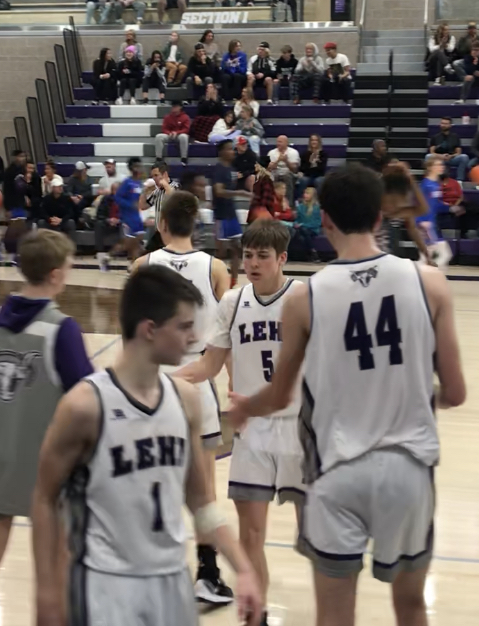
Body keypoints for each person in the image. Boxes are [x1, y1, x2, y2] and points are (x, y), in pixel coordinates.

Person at [226, 165, 466, 626]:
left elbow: (277, 398)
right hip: (407, 468)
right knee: (411, 607)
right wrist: (408, 394)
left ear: (326, 221)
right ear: (380, 218)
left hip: (336, 470)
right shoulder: (431, 283)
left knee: (335, 616)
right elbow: (454, 393)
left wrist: (244, 407)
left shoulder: (305, 297)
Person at [30, 264, 263, 626]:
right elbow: (45, 498)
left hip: (171, 580)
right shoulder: (84, 406)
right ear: (150, 329)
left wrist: (243, 568)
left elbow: (201, 502)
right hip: (106, 582)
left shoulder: (185, 399)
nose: (193, 337)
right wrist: (46, 590)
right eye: (184, 326)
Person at [0, 230, 93, 626]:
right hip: (45, 467)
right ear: (55, 274)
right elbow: (89, 399)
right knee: (52, 569)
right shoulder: (60, 329)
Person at [178, 219, 304, 625]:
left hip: (300, 428)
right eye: (247, 255)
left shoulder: (303, 297)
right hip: (251, 431)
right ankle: (259, 615)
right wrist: (156, 378)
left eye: (262, 256)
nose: (252, 263)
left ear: (281, 258)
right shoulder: (232, 302)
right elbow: (208, 365)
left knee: (316, 540)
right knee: (251, 537)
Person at [132, 190, 236, 605]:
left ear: (160, 225)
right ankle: (207, 574)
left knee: (144, 479)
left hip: (150, 382)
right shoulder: (217, 268)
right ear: (197, 226)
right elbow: (227, 334)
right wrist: (234, 386)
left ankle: (144, 573)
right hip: (197, 381)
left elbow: (131, 334)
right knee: (203, 488)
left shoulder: (142, 265)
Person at [213, 140, 252, 287]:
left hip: (231, 213)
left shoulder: (231, 168)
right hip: (221, 215)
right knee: (221, 252)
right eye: (229, 149)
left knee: (237, 248)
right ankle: (214, 279)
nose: (233, 152)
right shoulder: (219, 169)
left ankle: (233, 281)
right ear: (222, 152)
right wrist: (241, 192)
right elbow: (218, 191)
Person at [416, 157, 453, 270]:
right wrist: (420, 221)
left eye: (442, 164)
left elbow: (435, 205)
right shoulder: (425, 185)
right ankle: (425, 277)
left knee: (432, 256)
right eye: (438, 164)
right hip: (425, 224)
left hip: (433, 224)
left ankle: (426, 277)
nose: (441, 167)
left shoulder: (436, 184)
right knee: (442, 254)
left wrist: (450, 208)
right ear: (430, 168)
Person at [428, 116, 471, 180]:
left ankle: (459, 180)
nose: (443, 125)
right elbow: (432, 152)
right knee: (428, 156)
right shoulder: (435, 137)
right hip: (439, 159)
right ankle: (430, 179)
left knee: (464, 157)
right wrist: (441, 156)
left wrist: (451, 156)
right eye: (442, 123)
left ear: (450, 125)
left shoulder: (455, 137)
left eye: (446, 124)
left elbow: (458, 152)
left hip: (451, 159)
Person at [292, 186, 322, 261]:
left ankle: (310, 254)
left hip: (313, 229)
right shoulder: (300, 207)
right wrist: (296, 223)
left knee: (303, 231)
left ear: (313, 196)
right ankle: (312, 252)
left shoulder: (316, 208)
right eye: (304, 193)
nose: (305, 195)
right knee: (300, 234)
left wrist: (302, 225)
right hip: (301, 229)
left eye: (307, 193)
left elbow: (317, 223)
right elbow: (297, 220)